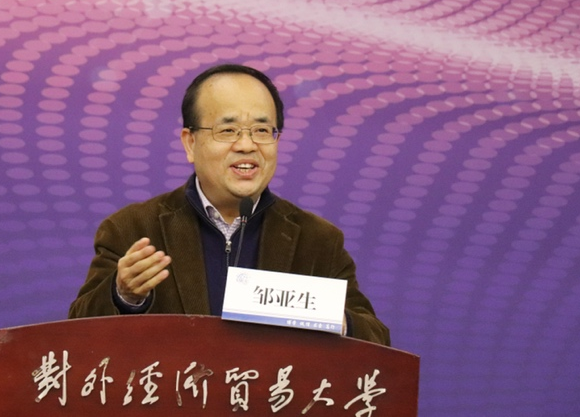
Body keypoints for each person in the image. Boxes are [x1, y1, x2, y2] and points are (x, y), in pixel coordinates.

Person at [68, 63, 390, 345]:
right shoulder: (132, 230)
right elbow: (76, 338)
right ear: (190, 143)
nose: (247, 145)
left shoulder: (317, 241)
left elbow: (376, 341)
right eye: (228, 130)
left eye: (262, 130)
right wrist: (123, 295)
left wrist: (327, 316)